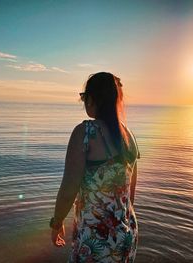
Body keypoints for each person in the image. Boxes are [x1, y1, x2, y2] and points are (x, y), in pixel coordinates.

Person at [50, 72, 141, 262]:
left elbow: (69, 189)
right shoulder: (129, 136)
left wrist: (56, 222)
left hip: (96, 236)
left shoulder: (85, 133)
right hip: (127, 232)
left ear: (91, 99)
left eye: (84, 97)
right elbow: (129, 194)